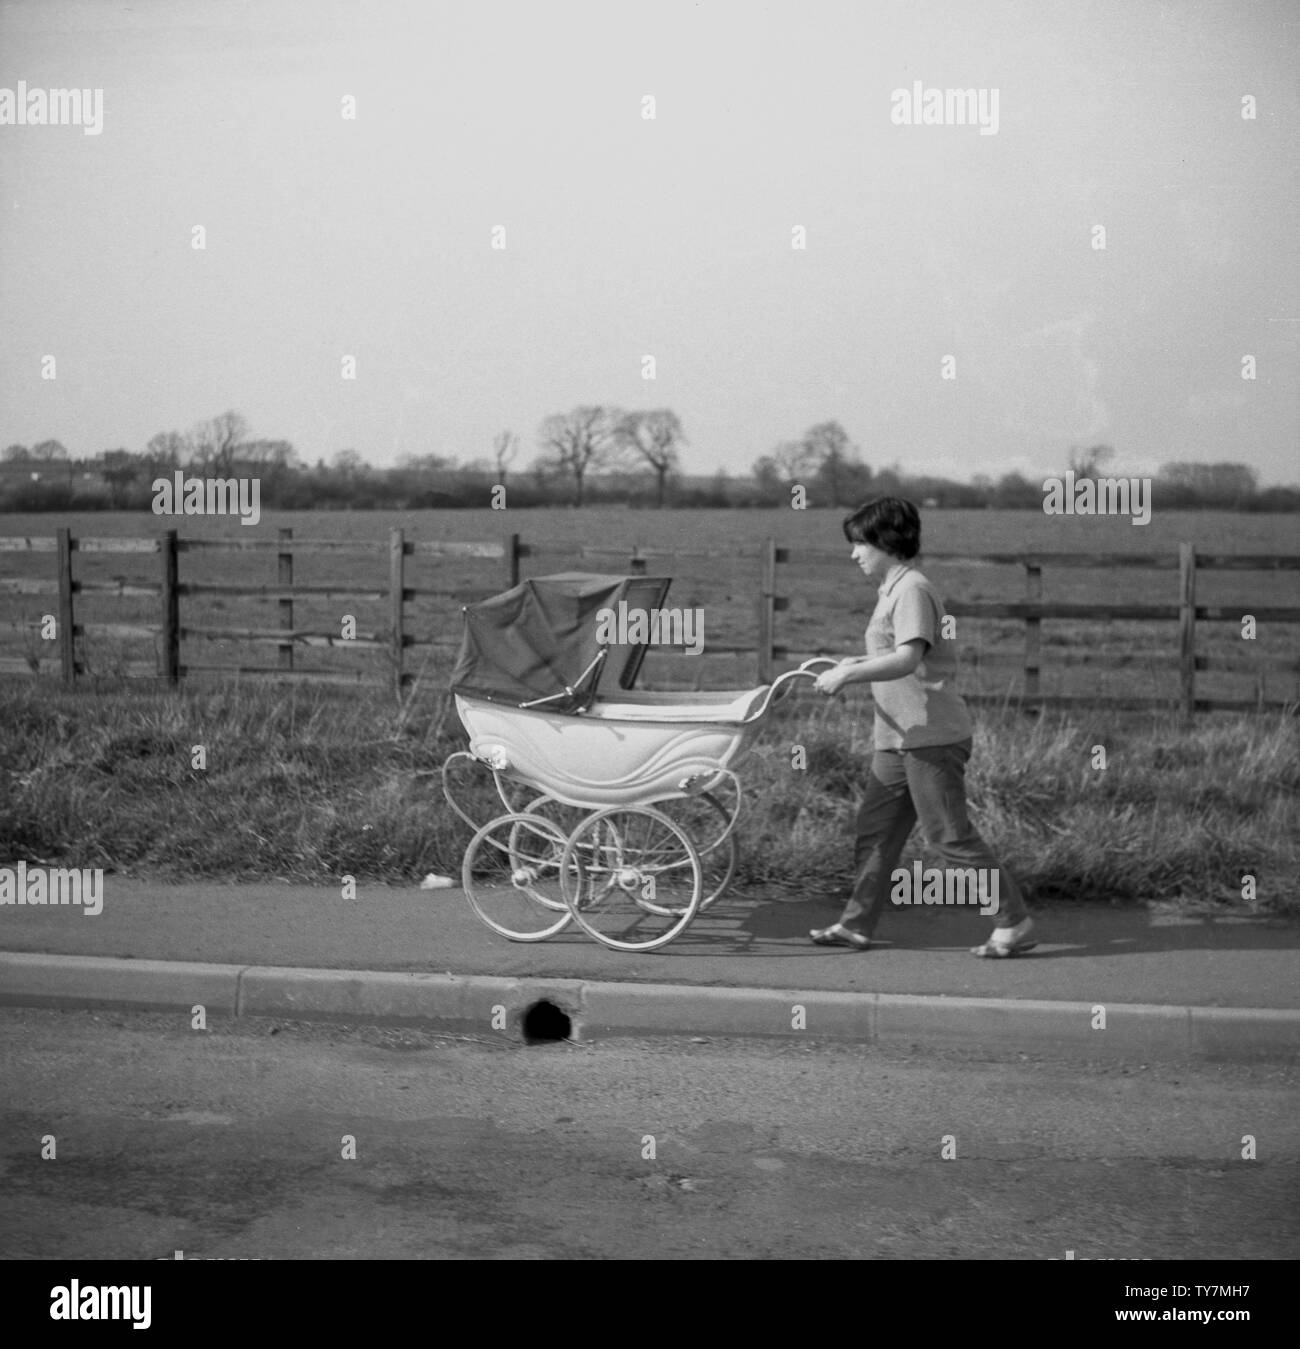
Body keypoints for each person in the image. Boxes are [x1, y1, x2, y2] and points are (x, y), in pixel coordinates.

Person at [809, 497, 1037, 957]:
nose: (854, 554)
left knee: (948, 837)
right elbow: (900, 653)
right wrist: (857, 661)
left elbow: (910, 657)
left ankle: (1014, 922)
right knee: (876, 833)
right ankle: (855, 925)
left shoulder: (913, 588)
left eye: (860, 544)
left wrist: (847, 675)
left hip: (931, 737)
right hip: (895, 738)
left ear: (886, 544)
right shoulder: (892, 590)